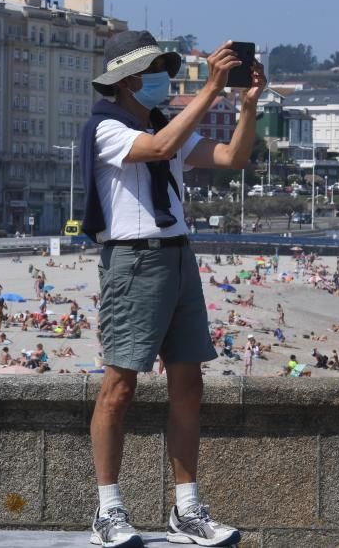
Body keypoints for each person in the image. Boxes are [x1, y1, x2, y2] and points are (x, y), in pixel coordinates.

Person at [80, 31, 261, 547]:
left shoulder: (165, 125)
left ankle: (186, 510)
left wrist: (245, 106)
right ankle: (109, 509)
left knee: (189, 384)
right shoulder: (107, 128)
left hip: (178, 253)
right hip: (135, 258)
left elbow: (231, 159)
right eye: (157, 67)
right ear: (131, 77)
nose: (165, 75)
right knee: (120, 386)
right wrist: (211, 88)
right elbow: (157, 149)